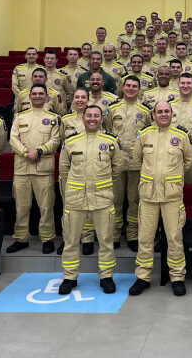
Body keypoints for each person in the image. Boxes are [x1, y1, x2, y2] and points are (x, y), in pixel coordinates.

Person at [128, 101, 192, 296]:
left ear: (172, 114)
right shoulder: (144, 135)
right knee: (145, 238)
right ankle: (143, 277)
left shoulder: (181, 136)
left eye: (167, 111)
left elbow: (189, 161)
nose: (163, 114)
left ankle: (177, 277)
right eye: (160, 112)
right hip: (148, 195)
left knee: (174, 238)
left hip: (172, 196)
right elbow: (137, 159)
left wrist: (171, 178)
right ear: (153, 115)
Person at [57, 105, 123, 295]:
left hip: (102, 198)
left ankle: (106, 277)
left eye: (96, 115)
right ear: (83, 118)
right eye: (89, 115)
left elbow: (117, 167)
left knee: (106, 240)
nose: (92, 119)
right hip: (75, 198)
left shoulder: (110, 141)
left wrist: (103, 184)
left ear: (101, 119)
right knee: (70, 240)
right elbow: (63, 169)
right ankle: (69, 277)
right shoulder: (71, 142)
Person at [6, 84, 61, 254]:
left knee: (46, 207)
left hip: (44, 169)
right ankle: (21, 239)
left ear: (46, 97)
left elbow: (55, 141)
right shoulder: (19, 117)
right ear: (29, 96)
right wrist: (25, 152)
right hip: (22, 169)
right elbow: (13, 139)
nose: (37, 96)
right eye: (34, 94)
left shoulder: (53, 118)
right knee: (21, 206)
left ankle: (47, 239)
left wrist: (39, 151)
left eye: (41, 94)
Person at [105, 76, 152, 251]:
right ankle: (115, 234)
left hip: (136, 163)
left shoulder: (145, 110)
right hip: (116, 162)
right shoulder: (112, 108)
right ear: (123, 87)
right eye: (128, 86)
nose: (131, 89)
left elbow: (149, 133)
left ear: (139, 89)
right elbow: (108, 131)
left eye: (134, 86)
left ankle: (132, 235)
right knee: (115, 199)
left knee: (134, 200)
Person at [58, 88, 98, 255]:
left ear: (88, 100)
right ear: (72, 99)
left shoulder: (94, 116)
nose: (80, 100)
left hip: (91, 168)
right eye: (77, 97)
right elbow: (62, 142)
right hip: (71, 170)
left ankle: (87, 239)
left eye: (83, 97)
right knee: (68, 207)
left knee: (89, 205)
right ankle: (68, 238)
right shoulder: (65, 119)